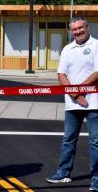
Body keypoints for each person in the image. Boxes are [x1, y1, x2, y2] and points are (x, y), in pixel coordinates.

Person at [46, 16, 98, 191]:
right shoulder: (67, 49)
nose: (77, 32)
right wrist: (74, 94)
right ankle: (63, 173)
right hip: (72, 103)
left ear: (87, 28)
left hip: (94, 103)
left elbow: (97, 72)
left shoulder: (96, 45)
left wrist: (80, 90)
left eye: (80, 28)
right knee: (68, 139)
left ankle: (96, 179)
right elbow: (61, 74)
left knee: (95, 142)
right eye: (74, 29)